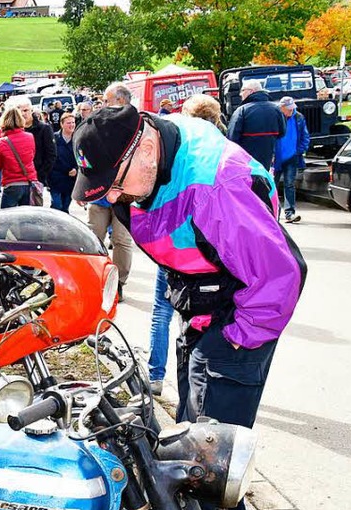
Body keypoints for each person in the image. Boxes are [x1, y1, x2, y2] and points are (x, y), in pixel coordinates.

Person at [72, 104, 306, 510]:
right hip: (203, 313)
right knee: (200, 456)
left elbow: (280, 277)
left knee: (197, 469)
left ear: (148, 149)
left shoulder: (216, 187)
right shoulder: (144, 155)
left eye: (114, 184)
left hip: (238, 325)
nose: (112, 199)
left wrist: (230, 341)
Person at [146, 93, 228, 396]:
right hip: (210, 249)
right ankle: (201, 383)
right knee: (205, 316)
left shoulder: (174, 150)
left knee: (163, 311)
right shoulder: (224, 150)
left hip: (174, 246)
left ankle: (157, 375)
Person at [84, 81, 136, 300]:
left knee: (122, 240)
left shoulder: (138, 125)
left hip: (126, 195)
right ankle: (94, 280)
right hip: (99, 194)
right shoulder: (97, 123)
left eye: (107, 100)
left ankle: (118, 284)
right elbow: (84, 154)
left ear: (120, 101)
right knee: (92, 238)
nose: (102, 104)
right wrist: (83, 188)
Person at [227, 78, 285, 169]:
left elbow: (231, 138)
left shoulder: (242, 110)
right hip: (268, 159)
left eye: (242, 90)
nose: (240, 94)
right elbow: (282, 132)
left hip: (246, 162)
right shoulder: (276, 109)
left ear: (251, 91)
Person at [273, 96, 310, 224]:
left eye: (292, 108)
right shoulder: (275, 116)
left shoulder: (299, 117)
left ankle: (290, 213)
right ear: (281, 107)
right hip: (275, 158)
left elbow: (305, 136)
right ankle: (272, 212)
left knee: (289, 184)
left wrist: (299, 151)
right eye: (288, 109)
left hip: (292, 157)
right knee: (272, 185)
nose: (291, 111)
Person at [5, 95, 55, 187]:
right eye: (20, 111)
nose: (23, 114)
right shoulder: (13, 130)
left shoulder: (44, 128)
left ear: (31, 110)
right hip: (17, 179)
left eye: (26, 110)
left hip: (37, 176)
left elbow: (51, 154)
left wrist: (40, 175)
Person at [0, 107, 36, 209]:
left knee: (6, 220)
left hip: (12, 183)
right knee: (26, 219)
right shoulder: (30, 137)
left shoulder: (1, 142)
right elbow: (32, 156)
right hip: (28, 182)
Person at [48, 112, 77, 213]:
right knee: (57, 205)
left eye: (73, 122)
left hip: (71, 180)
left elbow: (82, 157)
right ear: (62, 124)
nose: (71, 125)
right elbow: (51, 158)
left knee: (65, 207)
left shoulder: (77, 139)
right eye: (68, 123)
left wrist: (76, 169)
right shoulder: (54, 138)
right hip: (56, 178)